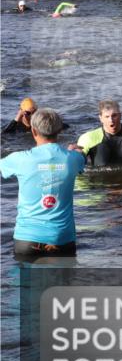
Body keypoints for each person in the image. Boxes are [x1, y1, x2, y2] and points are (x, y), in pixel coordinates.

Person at [0, 108, 86, 262]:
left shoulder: (20, 159)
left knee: (25, 285)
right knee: (63, 285)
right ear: (59, 130)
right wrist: (75, 152)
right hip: (62, 239)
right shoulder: (72, 158)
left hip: (27, 239)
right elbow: (81, 160)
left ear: (33, 131)